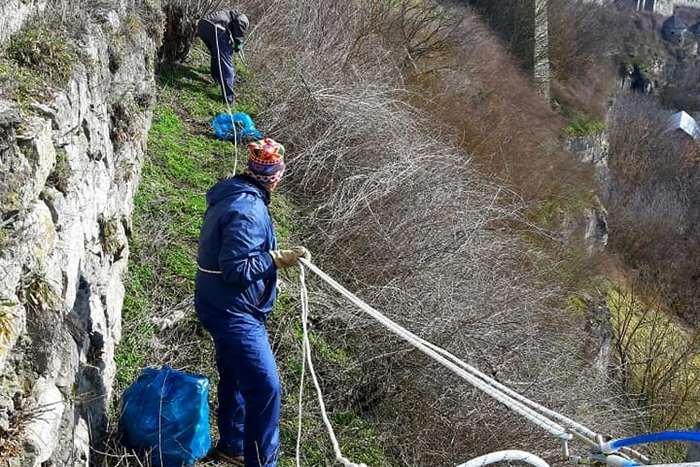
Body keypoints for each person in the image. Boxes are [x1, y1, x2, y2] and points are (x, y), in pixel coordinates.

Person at [195, 138, 309, 467]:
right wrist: (275, 259)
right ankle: (261, 462)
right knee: (265, 387)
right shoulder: (248, 210)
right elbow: (236, 269)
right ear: (274, 176)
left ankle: (233, 445)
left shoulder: (237, 193)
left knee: (234, 373)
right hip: (233, 311)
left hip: (219, 302)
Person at [197, 10, 249, 104]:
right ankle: (229, 98)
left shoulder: (226, 13)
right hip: (216, 28)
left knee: (216, 55)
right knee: (226, 63)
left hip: (202, 26)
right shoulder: (242, 17)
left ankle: (217, 79)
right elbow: (240, 25)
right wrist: (238, 42)